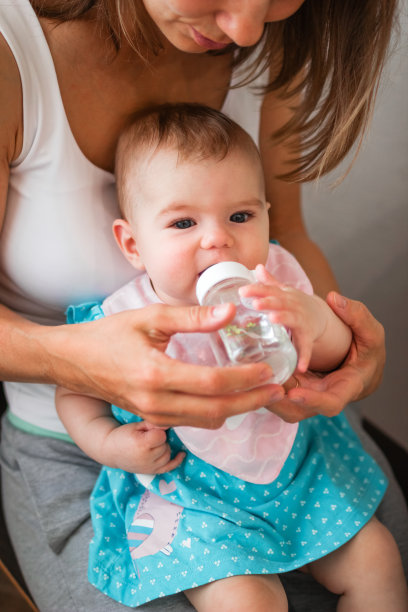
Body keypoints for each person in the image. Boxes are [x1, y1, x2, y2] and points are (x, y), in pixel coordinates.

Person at [0, 1, 406, 611]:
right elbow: (76, 396)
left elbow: (296, 251)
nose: (246, 31)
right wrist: (111, 439)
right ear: (131, 244)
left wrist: (337, 342)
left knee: (381, 555)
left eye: (241, 217)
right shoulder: (122, 309)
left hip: (283, 443)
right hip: (163, 471)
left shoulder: (271, 274)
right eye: (184, 222)